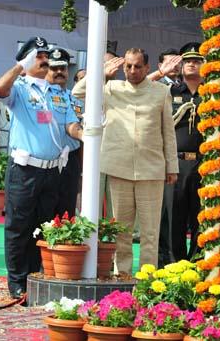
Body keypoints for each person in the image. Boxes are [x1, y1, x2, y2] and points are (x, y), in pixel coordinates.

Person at [73, 48, 177, 273]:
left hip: (152, 169)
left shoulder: (161, 92)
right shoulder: (111, 88)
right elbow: (78, 92)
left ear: (147, 68)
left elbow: (168, 132)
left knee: (150, 231)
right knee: (122, 229)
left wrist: (172, 166)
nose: (132, 70)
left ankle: (148, 278)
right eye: (128, 66)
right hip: (119, 168)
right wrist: (100, 73)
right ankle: (122, 275)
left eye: (138, 66)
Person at [0, 36, 83, 300]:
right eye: (40, 56)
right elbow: (0, 89)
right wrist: (20, 66)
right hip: (25, 169)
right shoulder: (20, 87)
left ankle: (35, 275)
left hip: (52, 170)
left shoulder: (56, 93)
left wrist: (86, 134)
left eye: (46, 56)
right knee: (19, 226)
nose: (45, 61)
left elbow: (70, 125)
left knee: (43, 226)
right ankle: (17, 281)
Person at [166, 42, 205, 263]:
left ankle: (199, 263)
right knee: (175, 218)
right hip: (176, 162)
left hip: (203, 163)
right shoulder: (170, 92)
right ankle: (175, 265)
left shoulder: (211, 94)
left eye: (197, 60)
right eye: (188, 60)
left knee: (201, 217)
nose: (192, 64)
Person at [47, 48, 84, 219]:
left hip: (71, 160)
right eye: (54, 68)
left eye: (63, 68)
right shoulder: (40, 98)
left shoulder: (77, 100)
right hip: (47, 159)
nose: (59, 72)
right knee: (45, 210)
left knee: (67, 210)